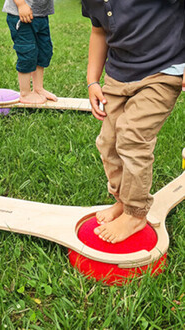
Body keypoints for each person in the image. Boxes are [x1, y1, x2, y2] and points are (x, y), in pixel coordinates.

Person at [82, 0, 185, 243]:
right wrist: (92, 80)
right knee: (108, 142)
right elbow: (98, 31)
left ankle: (135, 212)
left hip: (163, 72)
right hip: (118, 76)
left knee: (132, 135)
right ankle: (122, 200)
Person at [3, 0, 57, 104]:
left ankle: (38, 88)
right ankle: (25, 93)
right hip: (21, 14)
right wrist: (21, 4)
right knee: (28, 53)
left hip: (41, 15)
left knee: (44, 50)